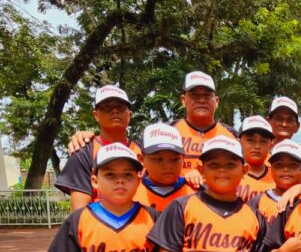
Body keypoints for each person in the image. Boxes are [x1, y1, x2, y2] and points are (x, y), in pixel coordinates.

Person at [67, 72, 237, 188]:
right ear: (184, 100)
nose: (201, 100)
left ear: (217, 101)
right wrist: (86, 135)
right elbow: (134, 153)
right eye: (194, 95)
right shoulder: (166, 131)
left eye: (207, 96)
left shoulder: (234, 136)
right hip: (171, 207)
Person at [56, 85, 141, 210]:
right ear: (96, 115)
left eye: (121, 107)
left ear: (130, 114)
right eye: (107, 107)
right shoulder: (83, 151)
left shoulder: (143, 152)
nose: (115, 111)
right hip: (99, 226)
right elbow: (80, 212)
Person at [134, 123, 196, 212]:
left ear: (183, 159)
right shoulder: (131, 193)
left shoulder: (196, 192)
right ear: (141, 160)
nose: (167, 166)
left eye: (174, 159)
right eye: (158, 159)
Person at [237, 115, 276, 201]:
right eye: (250, 140)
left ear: (271, 145)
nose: (257, 146)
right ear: (239, 142)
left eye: (263, 141)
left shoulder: (278, 177)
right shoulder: (229, 175)